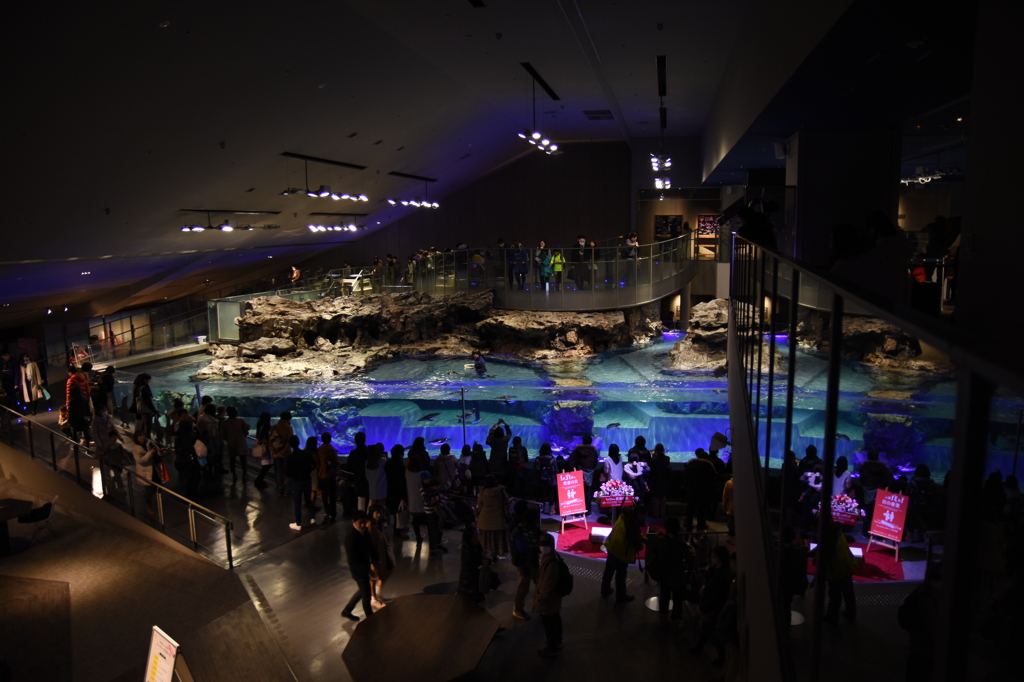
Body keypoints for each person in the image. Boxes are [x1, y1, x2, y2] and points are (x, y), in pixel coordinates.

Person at [647, 516, 694, 628]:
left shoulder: (660, 543)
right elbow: (690, 560)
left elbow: (654, 554)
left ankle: (663, 618)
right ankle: (677, 620)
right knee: (678, 599)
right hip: (678, 575)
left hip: (664, 575)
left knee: (664, 597)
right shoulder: (682, 544)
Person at [691, 545, 732, 658]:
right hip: (712, 608)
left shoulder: (721, 576)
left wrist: (702, 607)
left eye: (714, 556)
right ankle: (702, 648)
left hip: (713, 609)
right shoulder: (718, 572)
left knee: (712, 632)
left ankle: (721, 657)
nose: (711, 558)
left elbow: (715, 597)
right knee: (708, 629)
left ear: (720, 559)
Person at [814, 521, 858, 624]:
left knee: (834, 596)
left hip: (836, 571)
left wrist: (813, 558)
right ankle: (851, 614)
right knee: (848, 592)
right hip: (847, 565)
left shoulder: (828, 541)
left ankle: (832, 618)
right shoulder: (836, 532)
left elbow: (820, 560)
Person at [601, 505, 646, 603]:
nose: (644, 519)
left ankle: (605, 589)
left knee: (609, 570)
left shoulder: (625, 515)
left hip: (612, 545)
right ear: (640, 514)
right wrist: (642, 545)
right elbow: (635, 541)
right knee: (621, 575)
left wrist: (643, 539)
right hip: (621, 552)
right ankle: (621, 597)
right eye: (644, 516)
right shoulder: (632, 523)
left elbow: (635, 534)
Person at [341, 511, 380, 622]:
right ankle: (370, 619)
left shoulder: (364, 531)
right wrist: (368, 570)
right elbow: (353, 560)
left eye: (365, 522)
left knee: (363, 590)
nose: (363, 525)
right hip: (358, 570)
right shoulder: (351, 538)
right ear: (354, 522)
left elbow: (370, 546)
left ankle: (347, 611)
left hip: (364, 567)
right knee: (366, 594)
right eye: (360, 522)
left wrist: (376, 560)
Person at [510, 504, 543, 620]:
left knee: (539, 582)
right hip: (523, 562)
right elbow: (522, 548)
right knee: (524, 586)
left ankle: (538, 605)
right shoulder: (518, 529)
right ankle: (517, 609)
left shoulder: (529, 527)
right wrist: (537, 548)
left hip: (531, 560)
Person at [535, 533, 565, 658]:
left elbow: (547, 585)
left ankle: (552, 648)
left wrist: (540, 601)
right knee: (555, 619)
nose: (543, 548)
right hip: (554, 600)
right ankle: (558, 641)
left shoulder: (551, 563)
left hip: (549, 600)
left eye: (545, 545)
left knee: (549, 624)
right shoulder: (551, 556)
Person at [366, 504, 396, 609]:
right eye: (377, 513)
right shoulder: (369, 525)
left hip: (382, 552)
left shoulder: (378, 523)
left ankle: (376, 593)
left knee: (388, 569)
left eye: (380, 512)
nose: (379, 515)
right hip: (375, 555)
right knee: (373, 577)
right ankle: (373, 598)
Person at [91, 404, 125, 495]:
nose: (104, 412)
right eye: (103, 410)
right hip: (103, 445)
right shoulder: (95, 421)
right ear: (99, 412)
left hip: (111, 442)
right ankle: (108, 484)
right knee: (106, 466)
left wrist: (119, 437)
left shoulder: (108, 418)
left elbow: (114, 428)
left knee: (114, 465)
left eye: (105, 410)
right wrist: (99, 444)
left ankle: (116, 482)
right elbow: (94, 434)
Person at [859, 448, 893, 536]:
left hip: (866, 492)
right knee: (878, 513)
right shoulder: (884, 468)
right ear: (878, 457)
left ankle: (865, 532)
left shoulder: (863, 468)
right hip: (879, 492)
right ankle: (878, 532)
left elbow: (861, 480)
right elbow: (889, 480)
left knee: (867, 512)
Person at [286, 435, 317, 530]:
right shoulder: (306, 454)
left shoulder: (290, 457)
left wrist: (293, 475)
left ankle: (298, 523)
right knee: (308, 500)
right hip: (307, 480)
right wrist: (308, 470)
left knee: (297, 503)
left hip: (297, 482)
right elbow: (314, 464)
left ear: (290, 445)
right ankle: (312, 518)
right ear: (299, 442)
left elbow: (287, 473)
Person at [476, 474, 510, 560]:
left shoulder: (483, 492)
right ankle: (495, 556)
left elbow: (480, 505)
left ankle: (485, 556)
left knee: (486, 540)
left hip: (485, 520)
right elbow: (507, 503)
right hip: (499, 519)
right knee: (496, 540)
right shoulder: (501, 491)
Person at [683, 451, 718, 531]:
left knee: (690, 513)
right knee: (701, 513)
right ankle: (700, 531)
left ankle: (688, 530)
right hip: (703, 494)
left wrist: (686, 489)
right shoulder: (709, 467)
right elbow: (712, 481)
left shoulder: (690, 465)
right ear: (707, 458)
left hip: (691, 493)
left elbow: (685, 479)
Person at [458, 523, 491, 602]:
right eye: (475, 536)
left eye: (478, 535)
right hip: (469, 586)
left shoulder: (476, 546)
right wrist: (484, 562)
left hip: (474, 583)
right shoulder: (468, 551)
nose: (478, 538)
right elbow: (475, 563)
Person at [131, 429, 161, 516]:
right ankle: (148, 506)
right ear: (136, 438)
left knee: (158, 486)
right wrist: (150, 453)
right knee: (149, 490)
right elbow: (140, 460)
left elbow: (157, 450)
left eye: (143, 435)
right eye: (140, 436)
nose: (142, 437)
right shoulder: (136, 449)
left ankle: (151, 501)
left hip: (154, 469)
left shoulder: (149, 442)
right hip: (145, 471)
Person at [570, 434, 600, 514]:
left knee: (578, 492)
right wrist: (591, 469)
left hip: (578, 472)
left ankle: (578, 512)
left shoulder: (577, 451)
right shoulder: (594, 452)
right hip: (589, 473)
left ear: (582, 441)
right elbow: (595, 462)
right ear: (590, 442)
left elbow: (571, 461)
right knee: (588, 492)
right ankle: (588, 511)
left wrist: (573, 469)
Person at [906, 464, 936, 543]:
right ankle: (926, 537)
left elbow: (907, 493)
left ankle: (909, 537)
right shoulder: (931, 482)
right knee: (924, 520)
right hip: (927, 506)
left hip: (914, 505)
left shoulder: (913, 481)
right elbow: (933, 495)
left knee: (913, 517)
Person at [220, 406, 250, 480]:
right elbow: (248, 426)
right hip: (241, 442)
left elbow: (222, 434)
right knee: (243, 459)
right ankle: (244, 474)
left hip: (231, 443)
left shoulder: (225, 422)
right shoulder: (240, 420)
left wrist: (227, 439)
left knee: (232, 459)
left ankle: (234, 474)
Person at [385, 444, 408, 536]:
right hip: (397, 491)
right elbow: (401, 480)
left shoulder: (388, 462)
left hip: (389, 488)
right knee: (398, 512)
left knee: (393, 510)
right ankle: (397, 531)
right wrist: (403, 495)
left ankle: (397, 527)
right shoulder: (400, 465)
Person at [269, 411, 294, 496]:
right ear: (289, 418)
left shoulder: (274, 427)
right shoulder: (289, 428)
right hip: (286, 454)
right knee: (289, 472)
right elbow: (289, 442)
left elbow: (271, 441)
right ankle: (288, 491)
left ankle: (280, 490)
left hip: (276, 454)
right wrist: (283, 452)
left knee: (279, 472)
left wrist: (274, 453)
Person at [317, 433, 340, 523]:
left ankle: (327, 511)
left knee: (324, 494)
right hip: (330, 475)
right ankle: (332, 514)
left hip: (321, 475)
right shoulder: (331, 450)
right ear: (330, 439)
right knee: (332, 495)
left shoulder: (320, 449)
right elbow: (336, 462)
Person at [421, 475, 446, 557]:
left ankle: (437, 544)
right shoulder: (425, 490)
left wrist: (439, 501)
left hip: (435, 511)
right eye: (425, 478)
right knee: (432, 531)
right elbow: (428, 501)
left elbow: (442, 499)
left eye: (428, 478)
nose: (427, 480)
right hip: (430, 513)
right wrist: (440, 498)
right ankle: (432, 548)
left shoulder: (431, 490)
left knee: (438, 529)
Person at [405, 454, 428, 543]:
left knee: (415, 521)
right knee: (427, 520)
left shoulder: (407, 473)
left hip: (412, 501)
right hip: (422, 501)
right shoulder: (422, 474)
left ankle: (418, 537)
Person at [347, 432, 371, 512]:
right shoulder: (369, 452)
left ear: (355, 441)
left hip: (359, 480)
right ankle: (369, 520)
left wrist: (351, 480)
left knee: (361, 499)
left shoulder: (353, 453)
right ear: (364, 440)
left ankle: (361, 520)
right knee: (370, 500)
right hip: (370, 480)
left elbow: (349, 468)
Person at [648, 443, 671, 519]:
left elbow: (651, 470)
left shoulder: (652, 459)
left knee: (656, 498)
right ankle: (662, 514)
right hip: (664, 480)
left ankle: (656, 514)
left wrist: (653, 455)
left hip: (655, 480)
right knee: (663, 497)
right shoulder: (667, 458)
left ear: (656, 450)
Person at [252, 412, 273, 490]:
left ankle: (259, 480)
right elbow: (262, 437)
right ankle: (259, 481)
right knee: (267, 466)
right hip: (265, 447)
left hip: (263, 446)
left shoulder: (260, 424)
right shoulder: (264, 427)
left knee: (265, 466)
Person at [486, 419, 511, 484]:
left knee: (492, 481)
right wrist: (505, 423)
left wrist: (497, 424)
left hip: (493, 464)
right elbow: (509, 433)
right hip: (502, 464)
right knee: (501, 482)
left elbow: (491, 432)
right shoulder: (505, 439)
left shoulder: (492, 439)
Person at [535, 443, 557, 514]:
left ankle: (539, 509)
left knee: (540, 494)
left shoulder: (537, 459)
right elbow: (556, 470)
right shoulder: (552, 459)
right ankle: (551, 510)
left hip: (540, 480)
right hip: (550, 480)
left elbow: (535, 470)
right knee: (550, 493)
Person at [365, 443, 388, 508]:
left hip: (372, 489)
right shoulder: (383, 460)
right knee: (381, 507)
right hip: (382, 488)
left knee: (373, 508)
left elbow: (367, 476)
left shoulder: (367, 462)